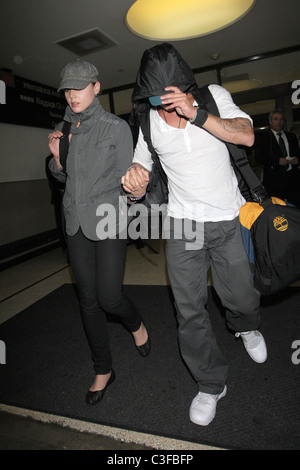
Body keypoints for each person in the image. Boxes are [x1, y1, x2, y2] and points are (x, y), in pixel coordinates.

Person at [122, 43, 267, 426]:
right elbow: (141, 167)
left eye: (171, 96)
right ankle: (210, 383)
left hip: (227, 218)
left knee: (242, 296)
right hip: (182, 225)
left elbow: (247, 136)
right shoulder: (148, 120)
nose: (166, 106)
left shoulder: (214, 97)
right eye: (157, 98)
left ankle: (246, 326)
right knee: (188, 311)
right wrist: (134, 183)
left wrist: (198, 114)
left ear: (185, 84)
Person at [48, 59, 150, 406]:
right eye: (67, 89)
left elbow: (128, 179)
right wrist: (58, 160)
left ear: (96, 87)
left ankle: (135, 322)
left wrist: (136, 188)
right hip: (75, 220)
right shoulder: (66, 126)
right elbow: (63, 178)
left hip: (108, 218)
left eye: (79, 87)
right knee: (88, 301)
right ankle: (103, 368)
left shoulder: (115, 127)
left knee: (109, 297)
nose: (72, 95)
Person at [255, 109, 300, 207]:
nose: (279, 122)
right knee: (278, 210)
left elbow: (298, 153)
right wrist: (277, 161)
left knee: (296, 208)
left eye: (281, 119)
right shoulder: (264, 138)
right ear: (270, 121)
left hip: (293, 179)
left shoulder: (291, 136)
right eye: (276, 119)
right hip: (274, 181)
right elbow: (259, 158)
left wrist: (297, 160)